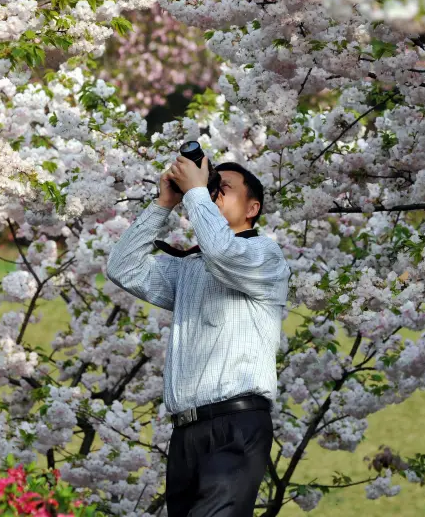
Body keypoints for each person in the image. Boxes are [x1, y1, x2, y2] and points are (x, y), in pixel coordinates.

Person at [105, 154, 290, 517]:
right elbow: (122, 267)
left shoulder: (264, 254)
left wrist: (195, 193)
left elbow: (223, 250)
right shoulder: (190, 268)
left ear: (253, 208)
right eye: (212, 186)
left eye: (225, 189)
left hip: (236, 425)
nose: (214, 192)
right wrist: (165, 203)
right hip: (185, 433)